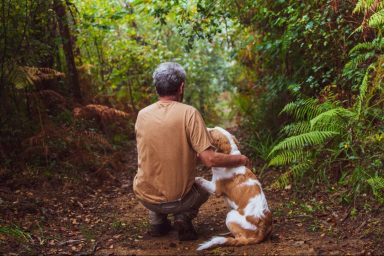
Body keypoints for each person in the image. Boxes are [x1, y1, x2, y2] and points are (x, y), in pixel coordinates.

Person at [133, 62, 250, 241]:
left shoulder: (142, 114)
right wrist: (239, 159)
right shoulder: (189, 113)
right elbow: (209, 160)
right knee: (202, 185)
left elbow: (155, 154)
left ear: (156, 88)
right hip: (178, 201)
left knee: (152, 172)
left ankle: (157, 221)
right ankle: (183, 217)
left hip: (145, 197)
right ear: (181, 87)